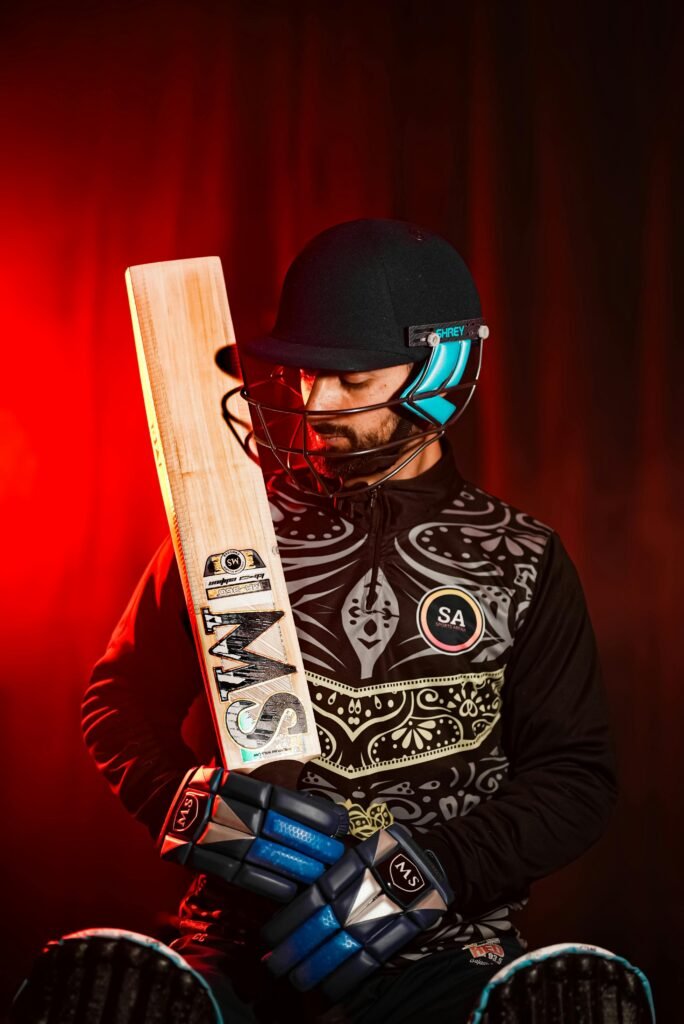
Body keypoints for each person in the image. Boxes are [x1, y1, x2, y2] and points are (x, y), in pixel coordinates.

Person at [79, 219, 618, 1023]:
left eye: (350, 380)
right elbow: (117, 703)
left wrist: (435, 869)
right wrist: (189, 807)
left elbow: (576, 774)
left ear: (439, 366)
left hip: (445, 950)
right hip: (235, 947)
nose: (312, 403)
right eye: (301, 374)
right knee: (117, 1002)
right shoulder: (226, 528)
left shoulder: (523, 558)